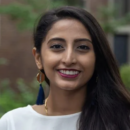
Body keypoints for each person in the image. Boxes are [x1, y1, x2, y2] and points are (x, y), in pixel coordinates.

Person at [0, 6, 130, 130]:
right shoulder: (13, 123)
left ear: (97, 58)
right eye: (57, 46)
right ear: (38, 58)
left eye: (82, 47)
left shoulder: (123, 121)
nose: (69, 59)